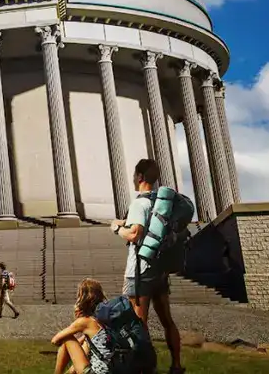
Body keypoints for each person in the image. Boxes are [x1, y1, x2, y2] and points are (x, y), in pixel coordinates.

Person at [111, 158, 183, 374]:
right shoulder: (160, 204)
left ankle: (145, 368)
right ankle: (176, 365)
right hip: (159, 270)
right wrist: (126, 222)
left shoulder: (138, 203)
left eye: (135, 175)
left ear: (140, 177)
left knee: (138, 323)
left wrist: (116, 228)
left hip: (139, 272)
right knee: (167, 321)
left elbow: (135, 234)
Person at [51, 278, 117, 374]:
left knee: (67, 338)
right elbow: (82, 357)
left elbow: (55, 340)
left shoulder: (85, 322)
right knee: (85, 348)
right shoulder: (104, 320)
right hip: (112, 370)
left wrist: (76, 324)